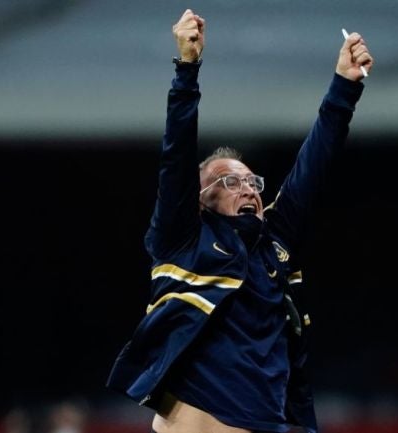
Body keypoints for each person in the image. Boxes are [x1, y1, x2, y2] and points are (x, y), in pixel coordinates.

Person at [107, 8, 373, 433]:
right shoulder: (182, 239)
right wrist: (187, 70)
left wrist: (344, 84)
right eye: (229, 180)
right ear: (199, 200)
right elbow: (176, 155)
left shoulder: (274, 243)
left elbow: (315, 164)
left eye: (252, 182)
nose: (248, 188)